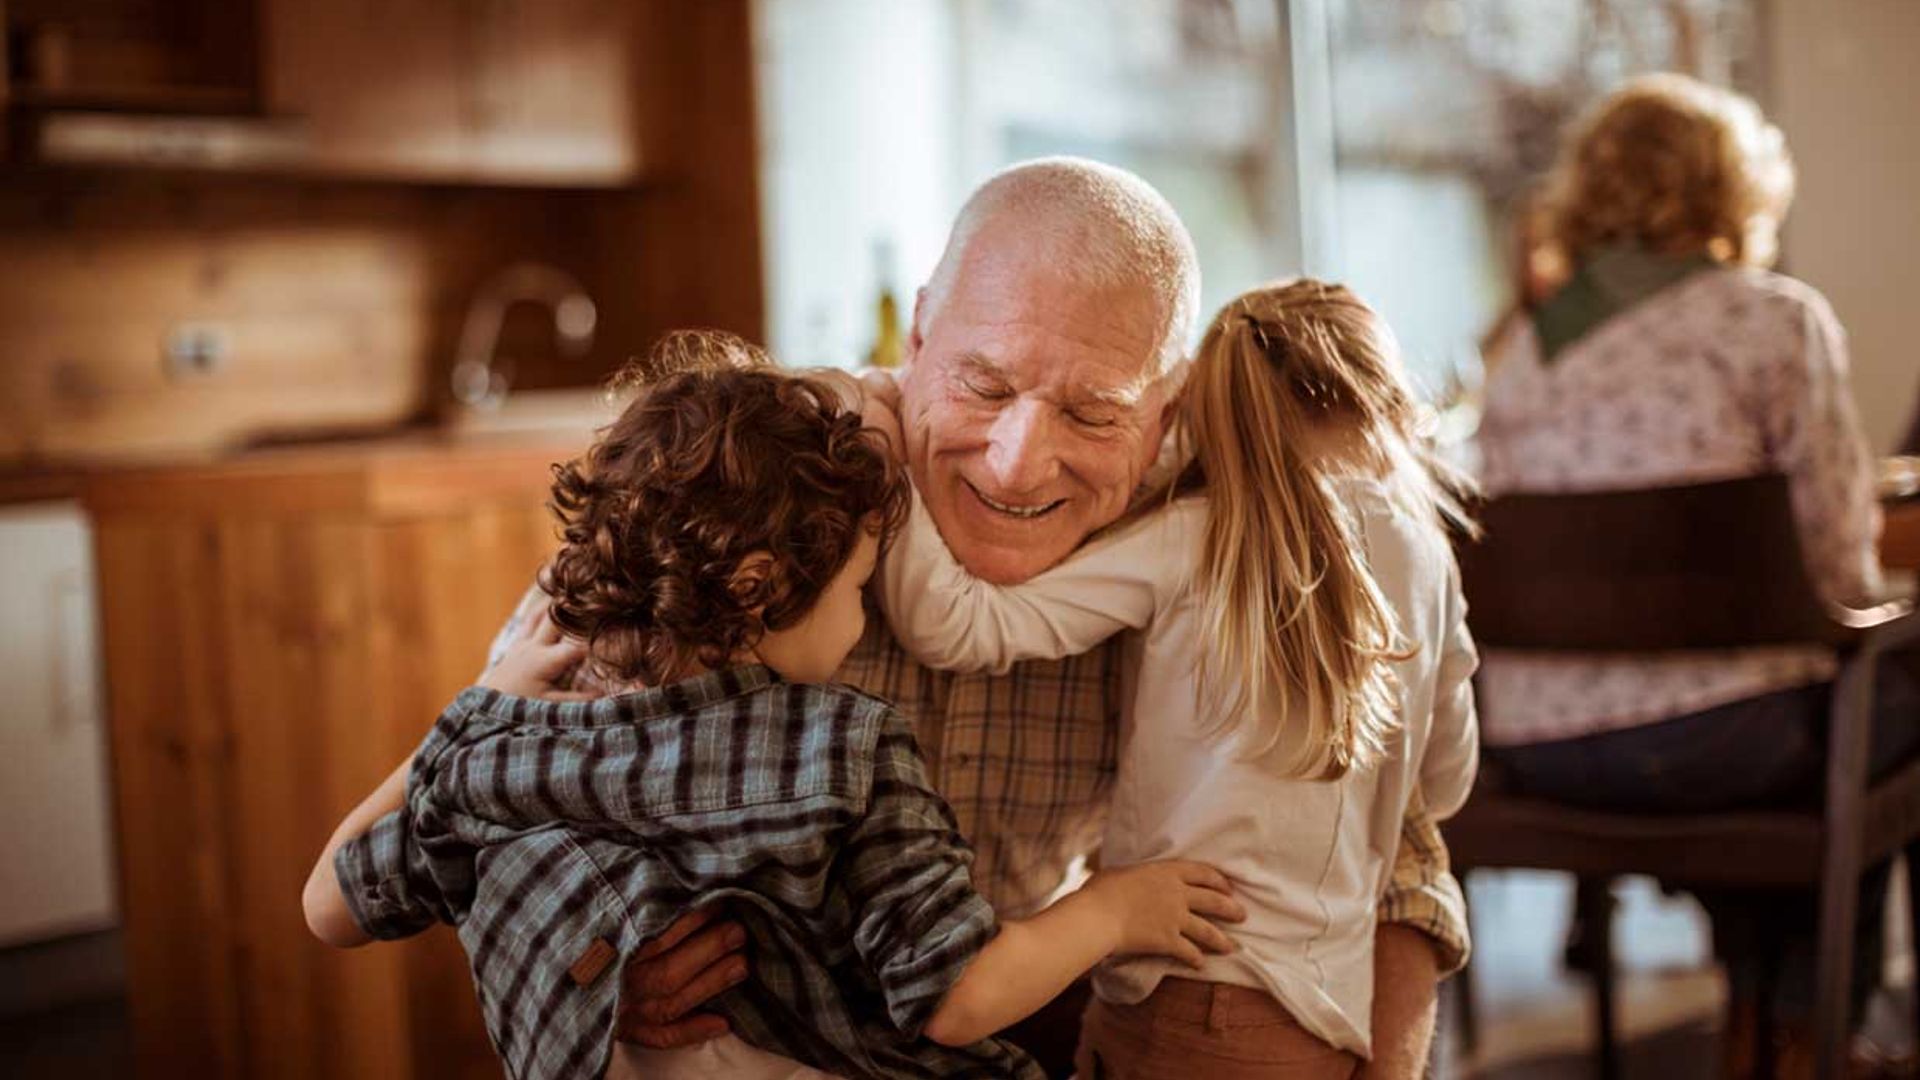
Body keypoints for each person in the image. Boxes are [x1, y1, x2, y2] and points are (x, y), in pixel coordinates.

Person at [487, 158, 1469, 1078]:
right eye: (983, 385)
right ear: (916, 338)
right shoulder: (764, 473)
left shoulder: (1206, 543)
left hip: (1011, 1012)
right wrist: (595, 957)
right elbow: (496, 783)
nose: (1016, 463)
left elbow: (1397, 850)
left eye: (1092, 414)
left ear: (1166, 418)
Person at [301, 341, 1247, 1080]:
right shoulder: (846, 748)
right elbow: (956, 997)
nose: (860, 623)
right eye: (859, 592)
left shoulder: (516, 739)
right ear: (760, 587)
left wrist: (480, 712)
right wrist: (1115, 911)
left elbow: (330, 905)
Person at [867, 279, 1479, 1078]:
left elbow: (952, 625)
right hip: (1326, 1012)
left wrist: (882, 433)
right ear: (1384, 395)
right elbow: (1445, 784)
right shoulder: (1430, 559)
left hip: (1180, 990)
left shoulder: (1193, 536)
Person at [1474, 74, 1918, 1078]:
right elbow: (1839, 563)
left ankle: (1760, 1024)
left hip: (1537, 746)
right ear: (1733, 191)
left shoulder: (1521, 351)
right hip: (1722, 743)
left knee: (1812, 724)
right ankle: (1812, 1037)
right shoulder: (1772, 319)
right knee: (1882, 707)